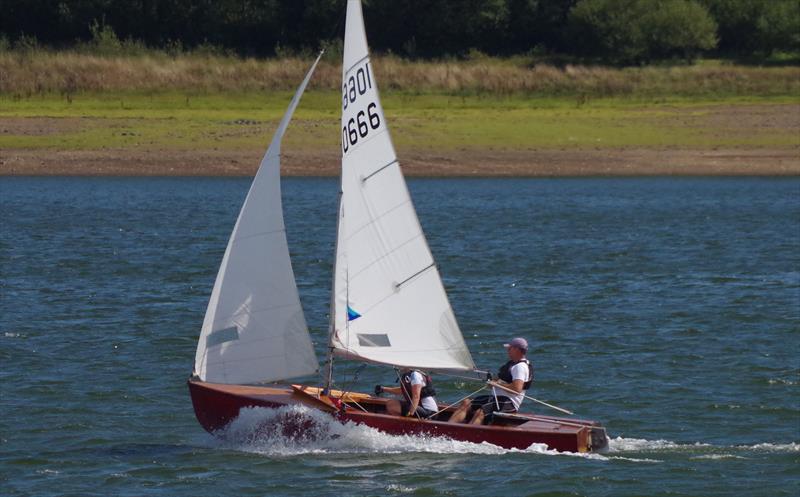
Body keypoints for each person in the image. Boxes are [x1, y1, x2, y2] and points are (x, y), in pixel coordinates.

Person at [449, 337, 533, 425]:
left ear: (517, 349)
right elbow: (498, 379)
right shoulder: (511, 364)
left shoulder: (520, 367)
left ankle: (468, 435)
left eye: (509, 348)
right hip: (496, 398)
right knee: (466, 403)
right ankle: (449, 428)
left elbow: (517, 389)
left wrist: (497, 384)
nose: (507, 350)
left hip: (509, 402)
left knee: (480, 412)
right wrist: (492, 382)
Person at [375, 369, 439, 419]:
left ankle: (401, 425)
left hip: (429, 413)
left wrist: (410, 415)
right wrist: (383, 389)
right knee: (392, 403)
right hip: (421, 409)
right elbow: (403, 390)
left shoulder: (415, 375)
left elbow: (416, 396)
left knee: (392, 404)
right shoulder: (411, 375)